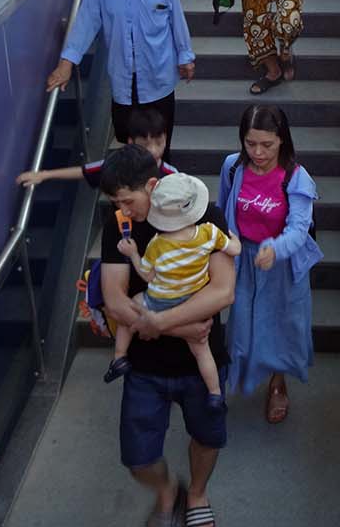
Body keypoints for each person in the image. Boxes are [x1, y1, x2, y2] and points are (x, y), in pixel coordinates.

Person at [99, 146, 233, 527]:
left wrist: (160, 322)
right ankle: (168, 491)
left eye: (127, 200)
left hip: (201, 361)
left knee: (208, 437)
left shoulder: (202, 212)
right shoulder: (120, 226)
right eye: (116, 203)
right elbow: (114, 299)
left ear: (153, 185)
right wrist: (180, 326)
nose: (123, 209)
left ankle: (196, 495)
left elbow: (224, 291)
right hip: (145, 365)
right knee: (138, 458)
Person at [46, 0, 195, 154]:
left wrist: (185, 55)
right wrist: (66, 63)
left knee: (160, 143)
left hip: (159, 73)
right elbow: (86, 23)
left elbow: (175, 16)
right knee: (129, 143)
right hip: (124, 78)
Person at [218, 105, 322, 423]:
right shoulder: (233, 167)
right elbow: (224, 210)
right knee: (242, 322)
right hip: (244, 259)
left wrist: (274, 250)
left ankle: (278, 382)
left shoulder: (295, 177)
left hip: (282, 264)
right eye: (251, 144)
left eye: (267, 144)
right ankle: (228, 380)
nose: (258, 152)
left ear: (282, 140)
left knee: (282, 325)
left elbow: (299, 229)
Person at [107, 173, 242, 411]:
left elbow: (147, 275)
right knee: (202, 351)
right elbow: (234, 249)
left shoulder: (157, 244)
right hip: (193, 303)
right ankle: (215, 394)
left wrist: (133, 255)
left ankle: (119, 357)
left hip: (160, 300)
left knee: (135, 303)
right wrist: (234, 239)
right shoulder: (208, 232)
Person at [15, 107, 176, 189]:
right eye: (144, 145)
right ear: (130, 142)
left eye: (158, 143)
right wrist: (44, 175)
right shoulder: (119, 165)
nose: (153, 150)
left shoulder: (172, 176)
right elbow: (85, 171)